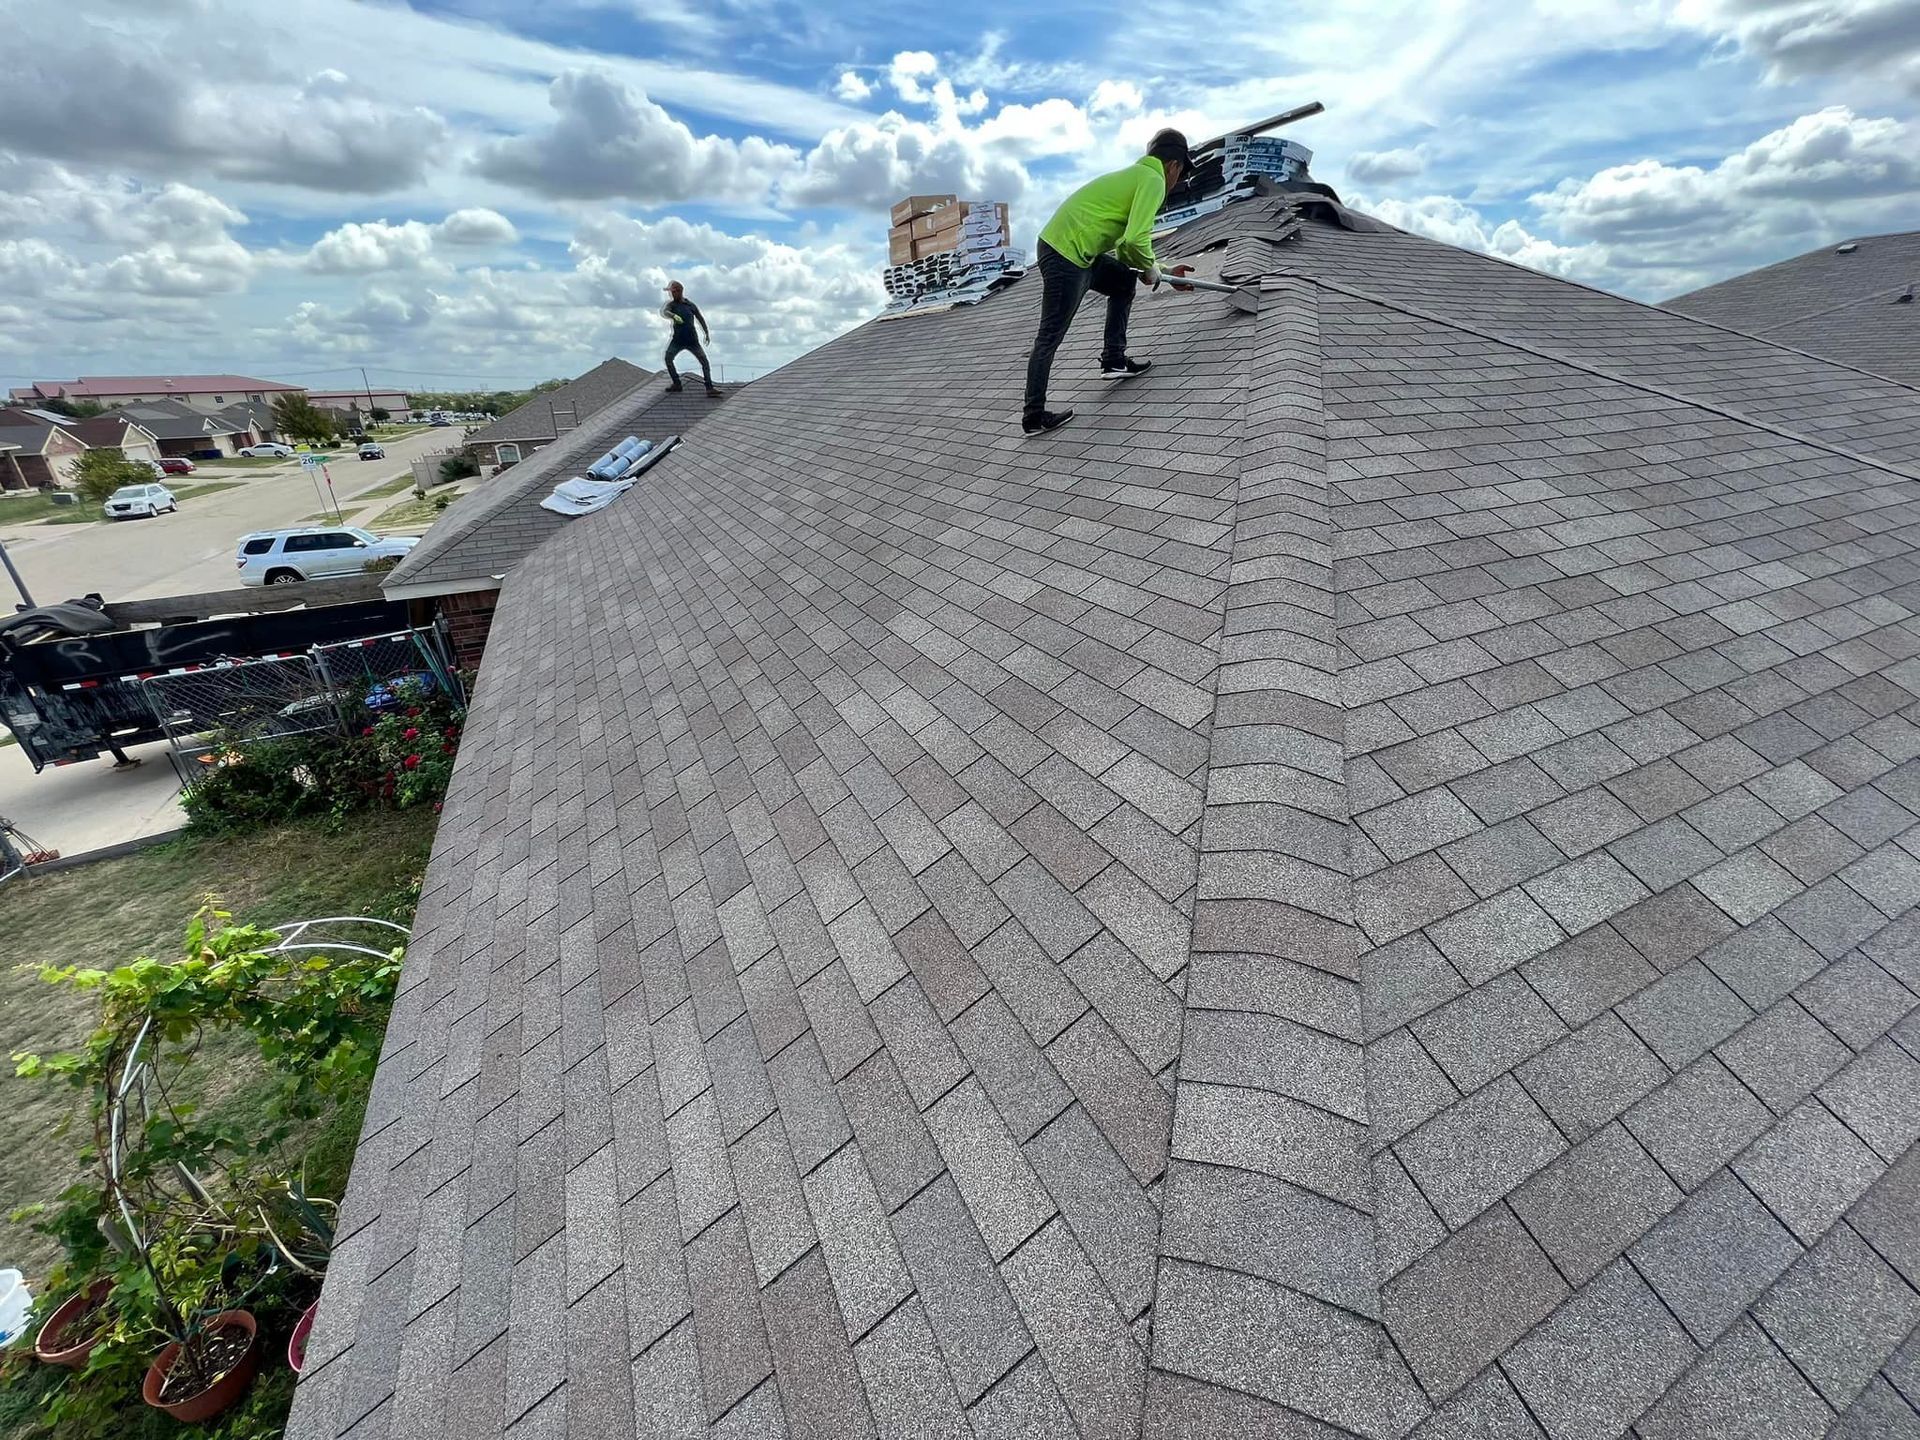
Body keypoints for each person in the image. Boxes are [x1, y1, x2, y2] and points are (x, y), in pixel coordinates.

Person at [1021, 129, 1191, 434]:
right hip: (1065, 254)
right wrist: (1152, 268)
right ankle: (1033, 415)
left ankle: (1114, 361)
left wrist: (1160, 270)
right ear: (1174, 166)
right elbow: (1135, 240)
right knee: (1050, 335)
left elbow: (1128, 249)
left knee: (1123, 284)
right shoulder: (1152, 180)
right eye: (1179, 174)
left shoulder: (1138, 175)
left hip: (1075, 251)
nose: (1175, 182)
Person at [661, 281, 720, 396]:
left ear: (679, 291)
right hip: (677, 340)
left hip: (692, 340)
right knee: (668, 358)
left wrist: (706, 332)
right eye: (671, 293)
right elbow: (665, 312)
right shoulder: (672, 305)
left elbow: (700, 318)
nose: (671, 295)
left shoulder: (690, 305)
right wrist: (673, 315)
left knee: (704, 362)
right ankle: (677, 383)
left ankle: (709, 388)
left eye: (673, 292)